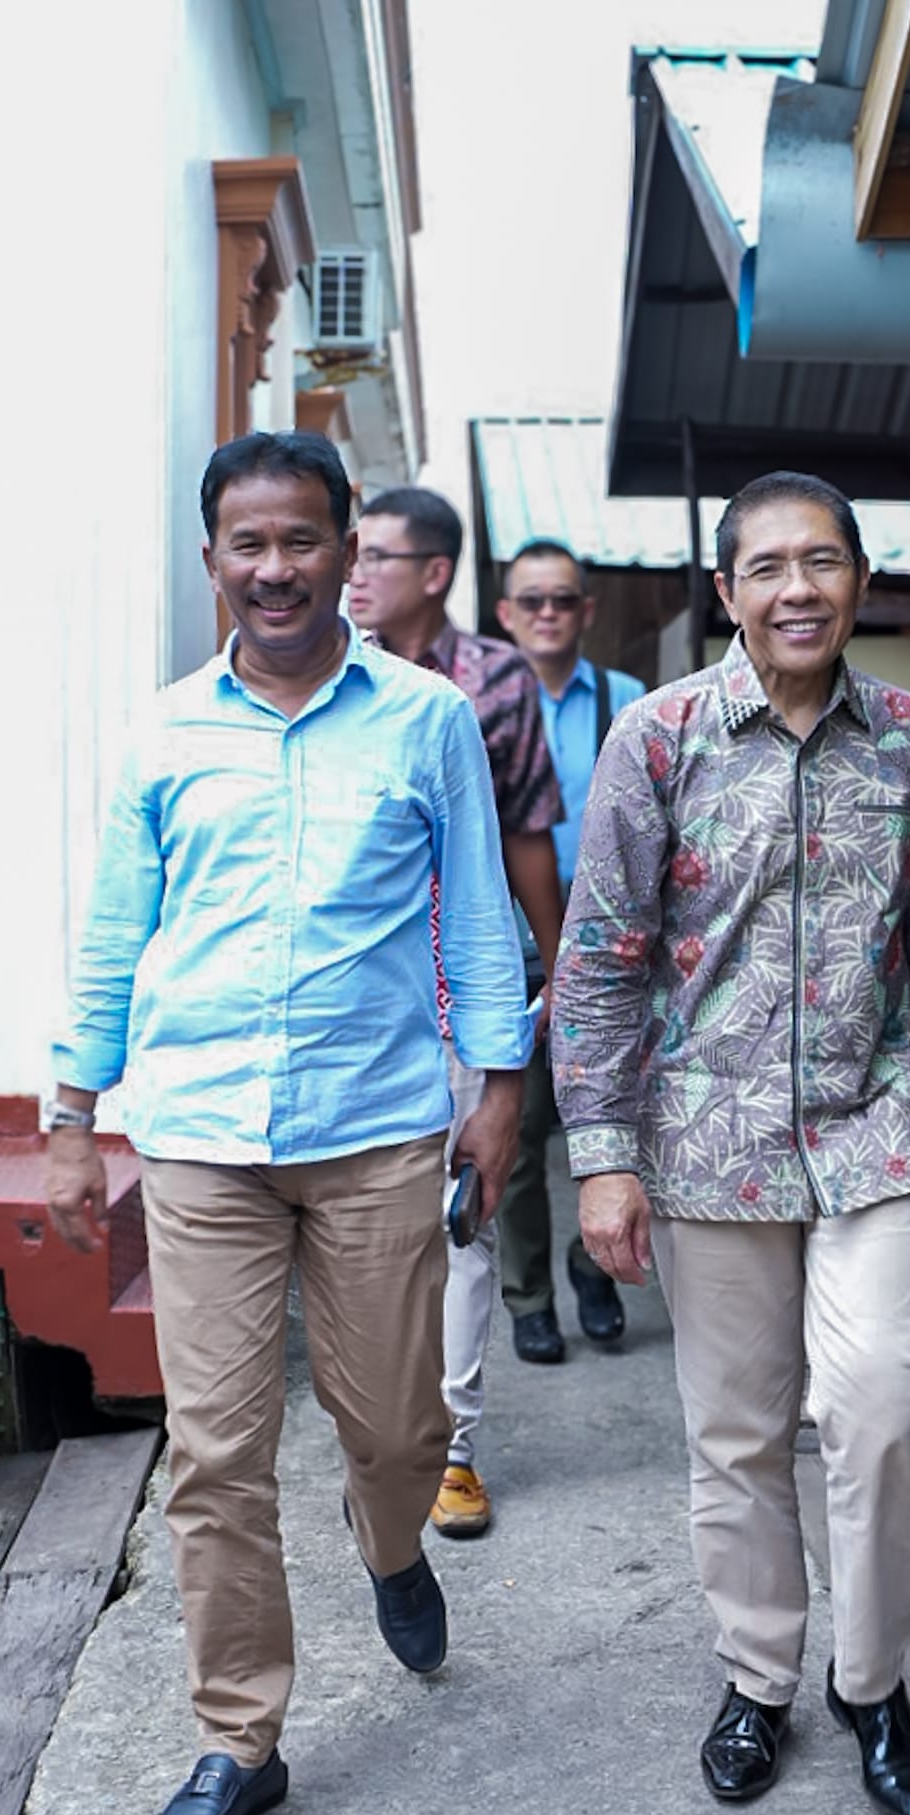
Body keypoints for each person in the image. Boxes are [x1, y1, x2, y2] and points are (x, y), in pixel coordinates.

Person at [44, 432, 531, 1815]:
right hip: (197, 1138)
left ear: (347, 555)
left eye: (302, 541)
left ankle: (388, 1547)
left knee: (396, 1431)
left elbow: (478, 921)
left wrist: (495, 1091)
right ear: (213, 562)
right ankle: (236, 1734)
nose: (274, 568)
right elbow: (116, 933)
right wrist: (74, 1115)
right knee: (216, 1452)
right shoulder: (161, 733)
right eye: (246, 545)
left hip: (377, 1128)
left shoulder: (425, 720)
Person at [552, 470, 910, 1815]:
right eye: (765, 567)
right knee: (735, 1431)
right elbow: (597, 964)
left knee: (882, 1398)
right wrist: (601, 1152)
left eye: (820, 562)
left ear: (860, 582)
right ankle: (756, 1678)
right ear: (725, 592)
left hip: (872, 1124)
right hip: (707, 1136)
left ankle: (870, 1690)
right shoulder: (658, 741)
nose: (794, 589)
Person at [348, 488, 564, 1539]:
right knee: (361, 1228)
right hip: (353, 1002)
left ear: (434, 570)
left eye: (375, 555)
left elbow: (526, 832)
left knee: (462, 1223)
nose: (353, 573)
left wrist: (562, 970)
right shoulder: (317, 670)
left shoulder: (494, 683)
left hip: (461, 986)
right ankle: (381, 1436)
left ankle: (452, 1449)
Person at [493, 541, 645, 1364]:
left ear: (585, 611)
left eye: (562, 600)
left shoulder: (627, 705)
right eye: (531, 601)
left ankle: (593, 1268)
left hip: (607, 959)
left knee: (609, 1127)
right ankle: (528, 1300)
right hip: (510, 955)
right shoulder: (474, 705)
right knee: (515, 1142)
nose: (547, 614)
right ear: (505, 614)